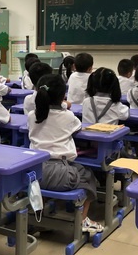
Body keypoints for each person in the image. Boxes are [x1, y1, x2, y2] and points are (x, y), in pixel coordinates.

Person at [28, 74, 103, 233]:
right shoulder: (68, 116)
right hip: (62, 174)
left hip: (34, 173)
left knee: (45, 186)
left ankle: (39, 217)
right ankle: (83, 220)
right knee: (88, 175)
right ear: (63, 96)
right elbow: (77, 127)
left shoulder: (32, 116)